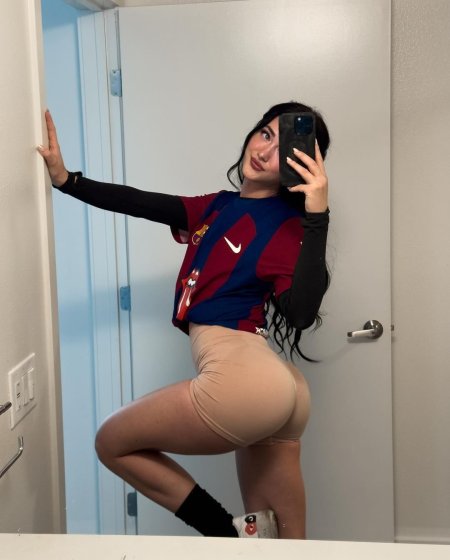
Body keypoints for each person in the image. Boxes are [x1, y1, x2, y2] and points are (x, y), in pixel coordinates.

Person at [38, 100, 330, 539]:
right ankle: (240, 538)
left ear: (299, 166)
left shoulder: (288, 226)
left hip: (245, 379)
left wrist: (318, 214)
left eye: (283, 148)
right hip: (278, 386)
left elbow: (302, 313)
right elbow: (140, 202)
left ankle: (224, 533)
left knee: (111, 442)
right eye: (265, 134)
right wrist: (66, 180)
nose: (265, 151)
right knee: (280, 544)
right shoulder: (219, 207)